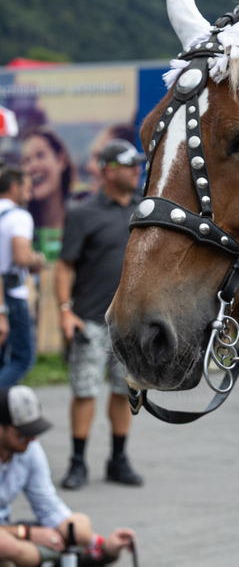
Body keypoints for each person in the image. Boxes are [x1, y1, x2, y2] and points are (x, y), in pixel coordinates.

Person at [55, 139, 144, 491]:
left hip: (132, 324)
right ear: (107, 171)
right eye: (127, 165)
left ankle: (118, 461)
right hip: (91, 320)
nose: (136, 170)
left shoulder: (146, 210)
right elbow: (64, 267)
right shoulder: (83, 213)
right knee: (84, 391)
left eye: (138, 164)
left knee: (125, 393)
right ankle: (77, 463)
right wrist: (65, 311)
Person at [0, 385, 135, 565]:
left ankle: (88, 552)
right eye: (23, 434)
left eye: (34, 431)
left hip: (7, 527)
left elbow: (49, 507)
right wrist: (26, 533)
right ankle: (66, 557)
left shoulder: (30, 450)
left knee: (78, 523)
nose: (31, 439)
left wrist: (98, 542)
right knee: (6, 545)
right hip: (7, 537)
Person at [0, 168, 45, 388]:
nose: (29, 196)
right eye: (26, 190)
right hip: (11, 296)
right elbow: (20, 256)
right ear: (14, 187)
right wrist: (37, 259)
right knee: (22, 359)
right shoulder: (19, 216)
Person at [19, 128, 73, 264]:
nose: (32, 166)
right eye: (27, 160)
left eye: (40, 155)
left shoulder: (81, 218)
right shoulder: (18, 224)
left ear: (61, 160)